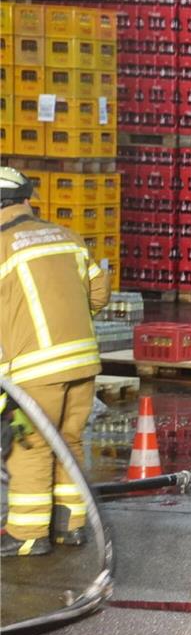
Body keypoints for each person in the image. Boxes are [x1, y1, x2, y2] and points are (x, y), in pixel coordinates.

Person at [0, 166, 110, 557]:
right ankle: (71, 525)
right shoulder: (68, 237)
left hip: (34, 370)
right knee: (69, 442)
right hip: (83, 363)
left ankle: (28, 534)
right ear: (27, 200)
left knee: (29, 446)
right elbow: (99, 293)